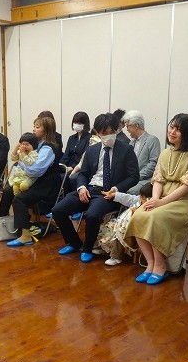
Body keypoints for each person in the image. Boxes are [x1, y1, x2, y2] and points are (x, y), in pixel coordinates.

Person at [124, 113, 188, 285]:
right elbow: (158, 180)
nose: (172, 132)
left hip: (185, 200)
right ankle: (150, 263)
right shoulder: (165, 153)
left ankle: (160, 265)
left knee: (156, 217)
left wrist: (161, 203)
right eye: (172, 127)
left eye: (178, 130)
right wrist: (155, 199)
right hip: (162, 196)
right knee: (138, 215)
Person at [52, 112, 140, 263]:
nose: (108, 135)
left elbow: (134, 176)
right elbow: (83, 173)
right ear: (98, 133)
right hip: (89, 188)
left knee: (91, 215)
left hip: (108, 192)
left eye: (112, 131)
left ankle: (87, 248)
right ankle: (73, 242)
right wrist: (81, 188)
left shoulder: (126, 150)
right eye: (104, 133)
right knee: (58, 210)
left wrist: (117, 189)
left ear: (117, 130)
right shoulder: (92, 150)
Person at [0, 116, 63, 246]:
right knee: (8, 191)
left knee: (19, 199)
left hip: (46, 185)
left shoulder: (48, 149)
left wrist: (21, 162)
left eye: (37, 127)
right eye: (34, 126)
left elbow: (35, 171)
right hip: (35, 181)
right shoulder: (37, 145)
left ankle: (25, 235)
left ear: (45, 131)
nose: (34, 129)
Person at [95, 182, 153, 266]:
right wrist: (114, 195)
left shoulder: (151, 208)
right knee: (107, 226)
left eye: (144, 198)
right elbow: (127, 198)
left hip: (131, 229)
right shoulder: (138, 200)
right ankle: (103, 248)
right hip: (120, 222)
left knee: (120, 234)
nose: (141, 199)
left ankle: (116, 256)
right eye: (141, 197)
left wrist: (135, 213)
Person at [121, 110, 162, 195]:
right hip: (132, 179)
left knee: (129, 191)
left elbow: (153, 164)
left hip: (146, 180)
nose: (127, 129)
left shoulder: (152, 140)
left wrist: (136, 177)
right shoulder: (131, 143)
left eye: (128, 126)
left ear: (136, 125)